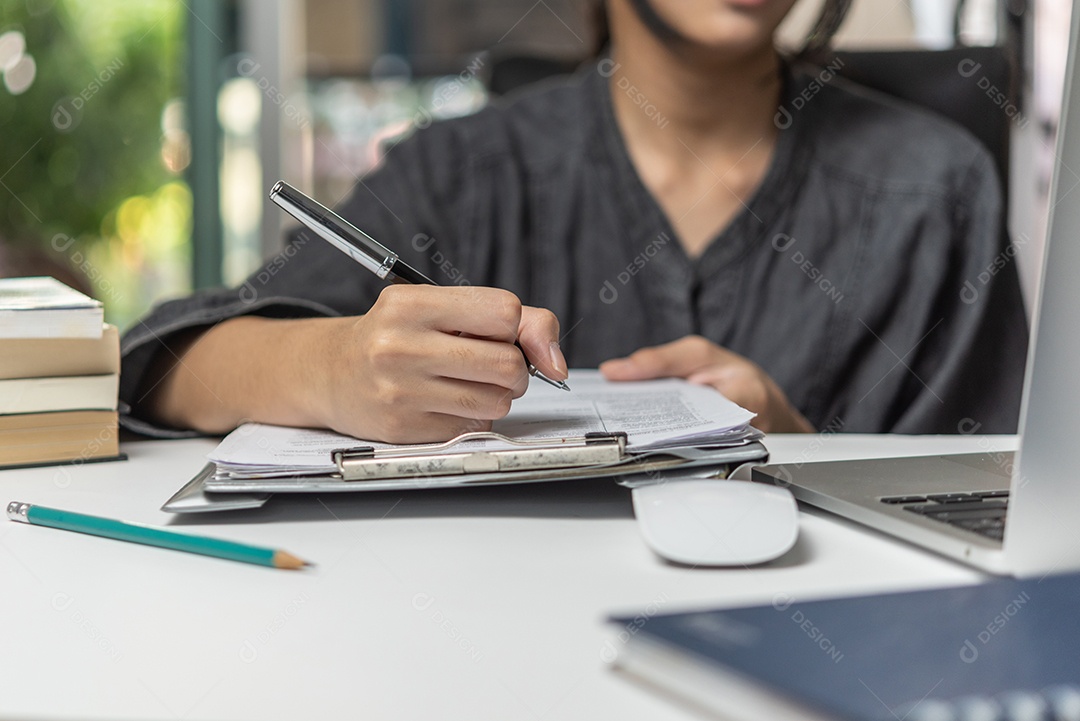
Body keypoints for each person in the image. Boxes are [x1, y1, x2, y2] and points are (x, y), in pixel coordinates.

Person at [120, 0, 1028, 443]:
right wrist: (333, 368)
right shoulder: (461, 172)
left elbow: (1003, 503)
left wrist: (806, 461)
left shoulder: (938, 191)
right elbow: (163, 367)